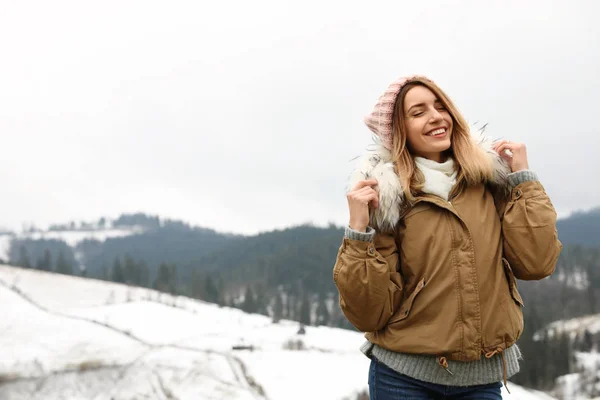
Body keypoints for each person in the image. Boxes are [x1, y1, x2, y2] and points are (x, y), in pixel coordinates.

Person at [333, 75, 562, 399]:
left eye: (441, 106)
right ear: (398, 130)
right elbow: (369, 312)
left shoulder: (490, 181)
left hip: (480, 380)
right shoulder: (386, 197)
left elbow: (537, 263)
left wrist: (522, 181)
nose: (436, 116)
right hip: (402, 378)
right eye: (418, 111)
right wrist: (359, 232)